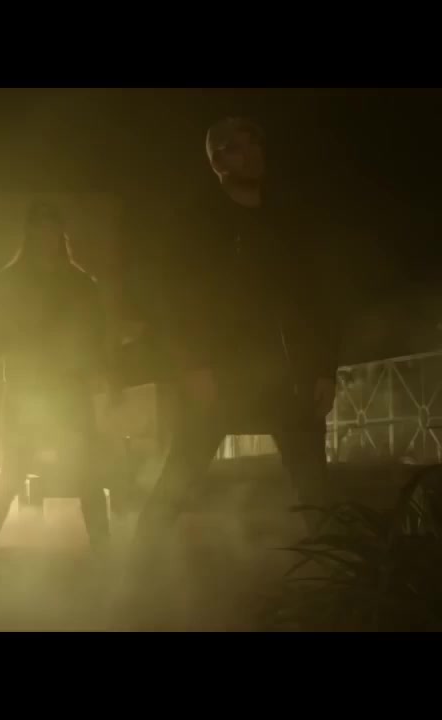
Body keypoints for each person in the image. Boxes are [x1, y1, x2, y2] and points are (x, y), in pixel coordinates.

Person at [134, 117, 338, 543]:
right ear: (219, 162)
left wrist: (324, 369)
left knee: (314, 487)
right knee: (181, 475)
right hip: (220, 371)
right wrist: (194, 366)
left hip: (286, 372)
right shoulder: (196, 223)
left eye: (255, 143)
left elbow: (314, 296)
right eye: (238, 147)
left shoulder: (285, 219)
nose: (252, 153)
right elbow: (176, 301)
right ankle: (135, 568)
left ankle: (338, 570)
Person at [0, 203, 113, 594]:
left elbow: (95, 335)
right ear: (31, 236)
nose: (45, 239)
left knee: (87, 476)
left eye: (51, 232)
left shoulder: (78, 284)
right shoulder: (10, 283)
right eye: (39, 232)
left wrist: (100, 371)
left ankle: (107, 563)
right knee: (12, 474)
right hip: (26, 389)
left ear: (59, 236)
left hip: (68, 390)